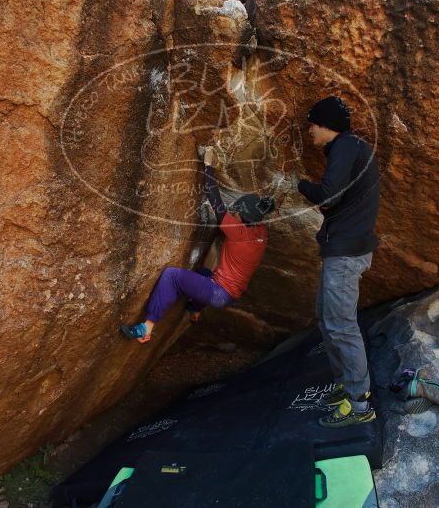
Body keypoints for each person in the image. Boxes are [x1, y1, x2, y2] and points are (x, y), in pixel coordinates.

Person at [121, 148, 275, 343]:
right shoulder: (261, 233)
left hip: (218, 292)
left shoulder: (238, 232)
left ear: (242, 218)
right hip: (229, 295)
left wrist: (208, 167)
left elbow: (215, 200)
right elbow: (257, 212)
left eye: (235, 212)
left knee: (172, 276)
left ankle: (146, 328)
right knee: (203, 273)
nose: (231, 213)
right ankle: (195, 310)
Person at [296, 96, 380, 428]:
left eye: (312, 125)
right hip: (342, 248)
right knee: (326, 318)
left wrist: (297, 183)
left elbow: (328, 195)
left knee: (341, 325)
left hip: (346, 254)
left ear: (326, 125)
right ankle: (347, 386)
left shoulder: (346, 147)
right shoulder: (348, 149)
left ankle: (360, 406)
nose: (310, 132)